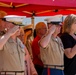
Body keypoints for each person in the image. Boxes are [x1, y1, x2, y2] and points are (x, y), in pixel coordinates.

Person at [0, 11, 25, 75]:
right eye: (16, 25)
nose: (19, 28)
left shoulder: (19, 41)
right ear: (8, 25)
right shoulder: (3, 39)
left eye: (19, 25)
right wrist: (9, 33)